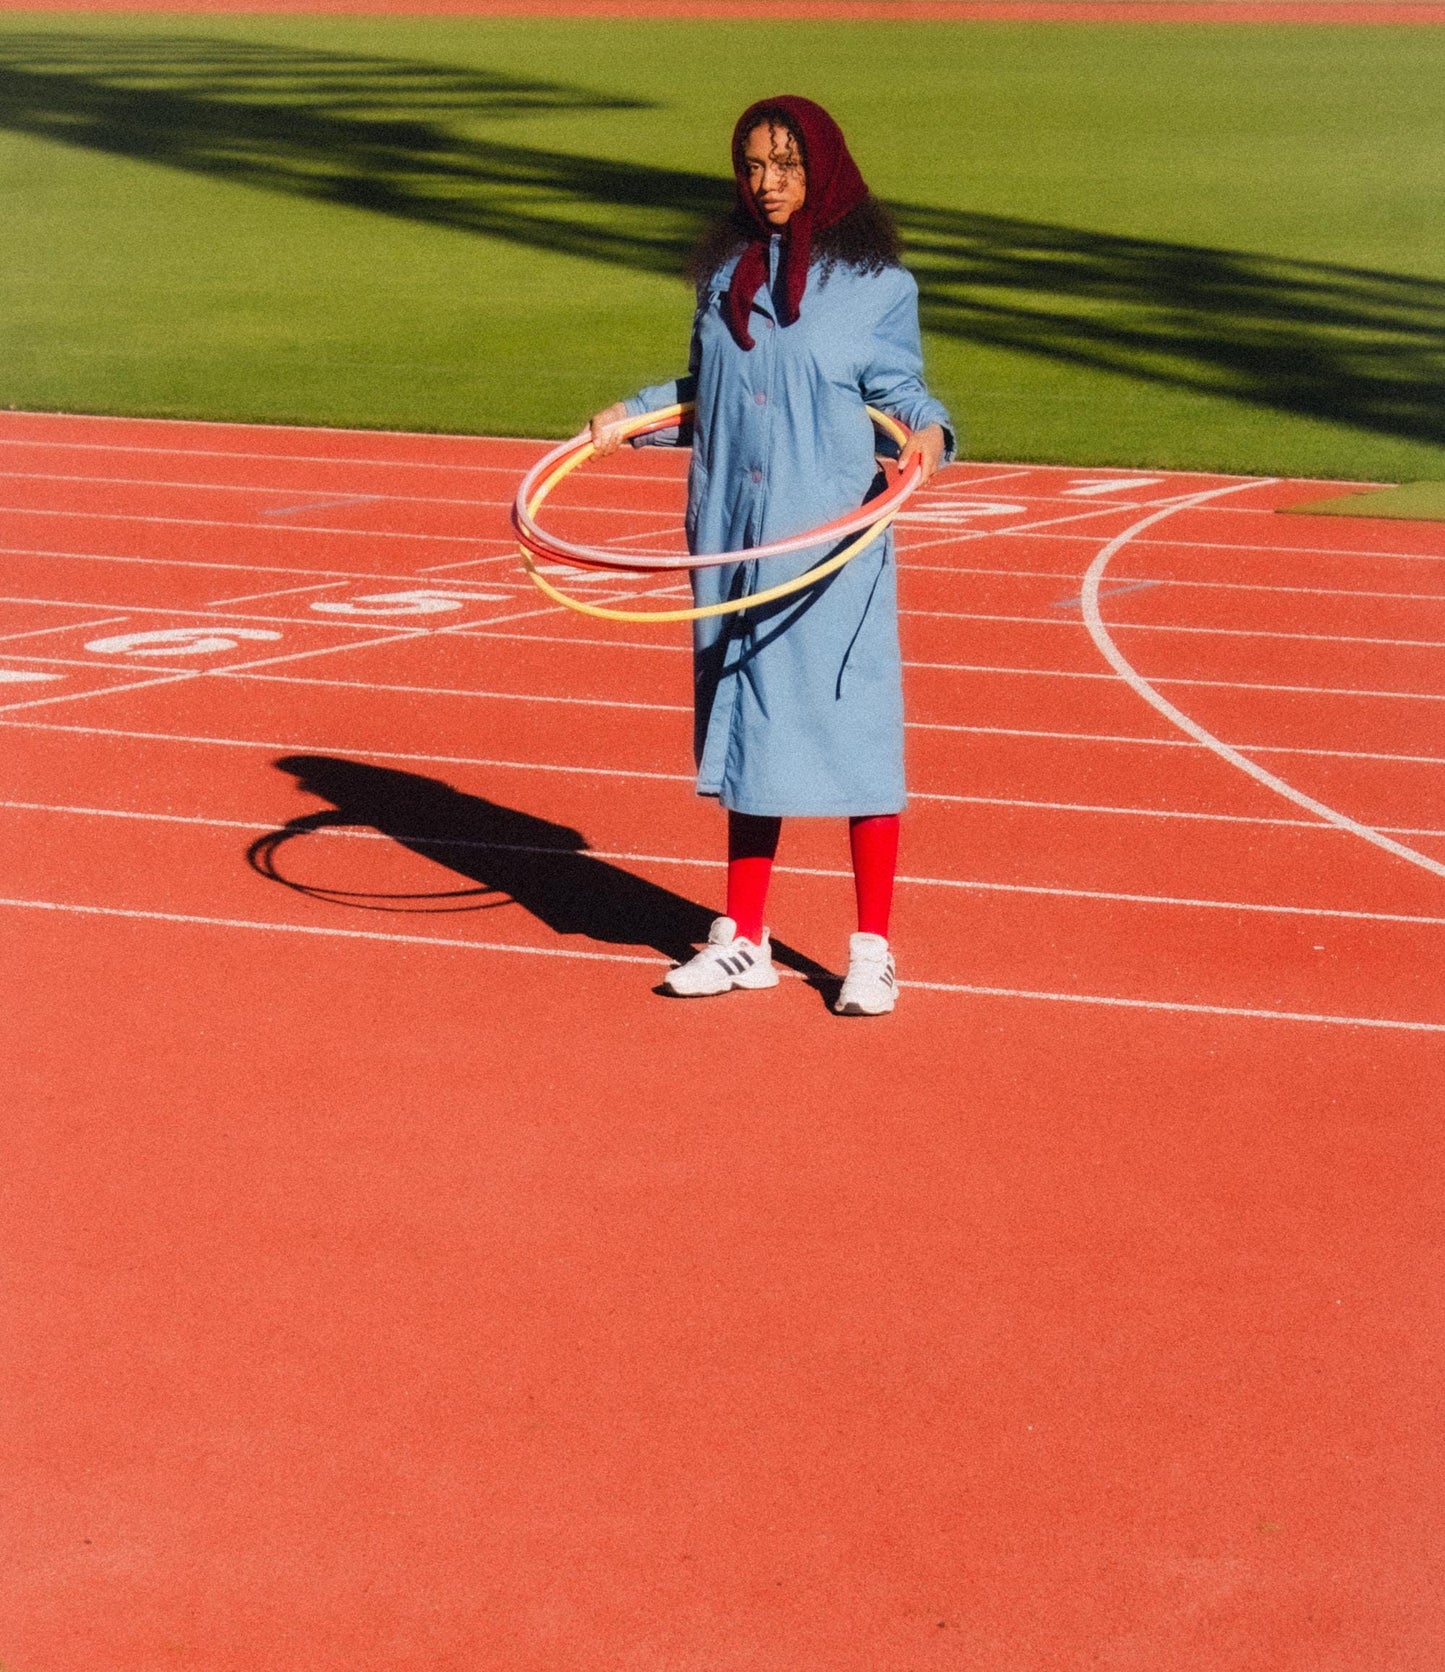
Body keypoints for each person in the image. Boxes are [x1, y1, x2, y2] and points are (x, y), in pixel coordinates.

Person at [590, 95, 954, 1015]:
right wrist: (634, 415)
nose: (766, 184)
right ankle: (743, 939)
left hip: (826, 540)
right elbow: (708, 391)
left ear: (822, 168)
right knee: (750, 728)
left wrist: (928, 436)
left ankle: (870, 949)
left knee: (854, 735)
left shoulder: (875, 284)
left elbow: (905, 393)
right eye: (751, 166)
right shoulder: (724, 278)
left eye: (785, 166)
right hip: (731, 536)